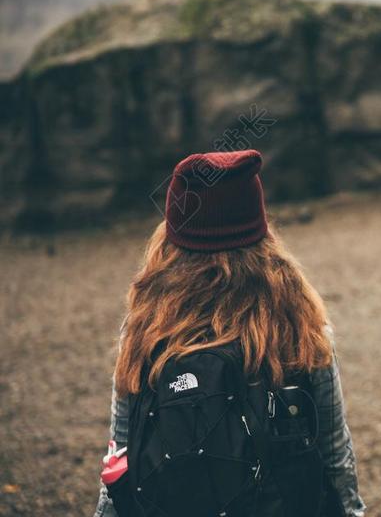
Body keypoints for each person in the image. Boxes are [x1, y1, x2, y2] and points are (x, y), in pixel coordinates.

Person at [93, 150, 365, 517]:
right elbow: (334, 452)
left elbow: (120, 454)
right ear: (260, 232)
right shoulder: (296, 321)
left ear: (173, 234)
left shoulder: (145, 328)